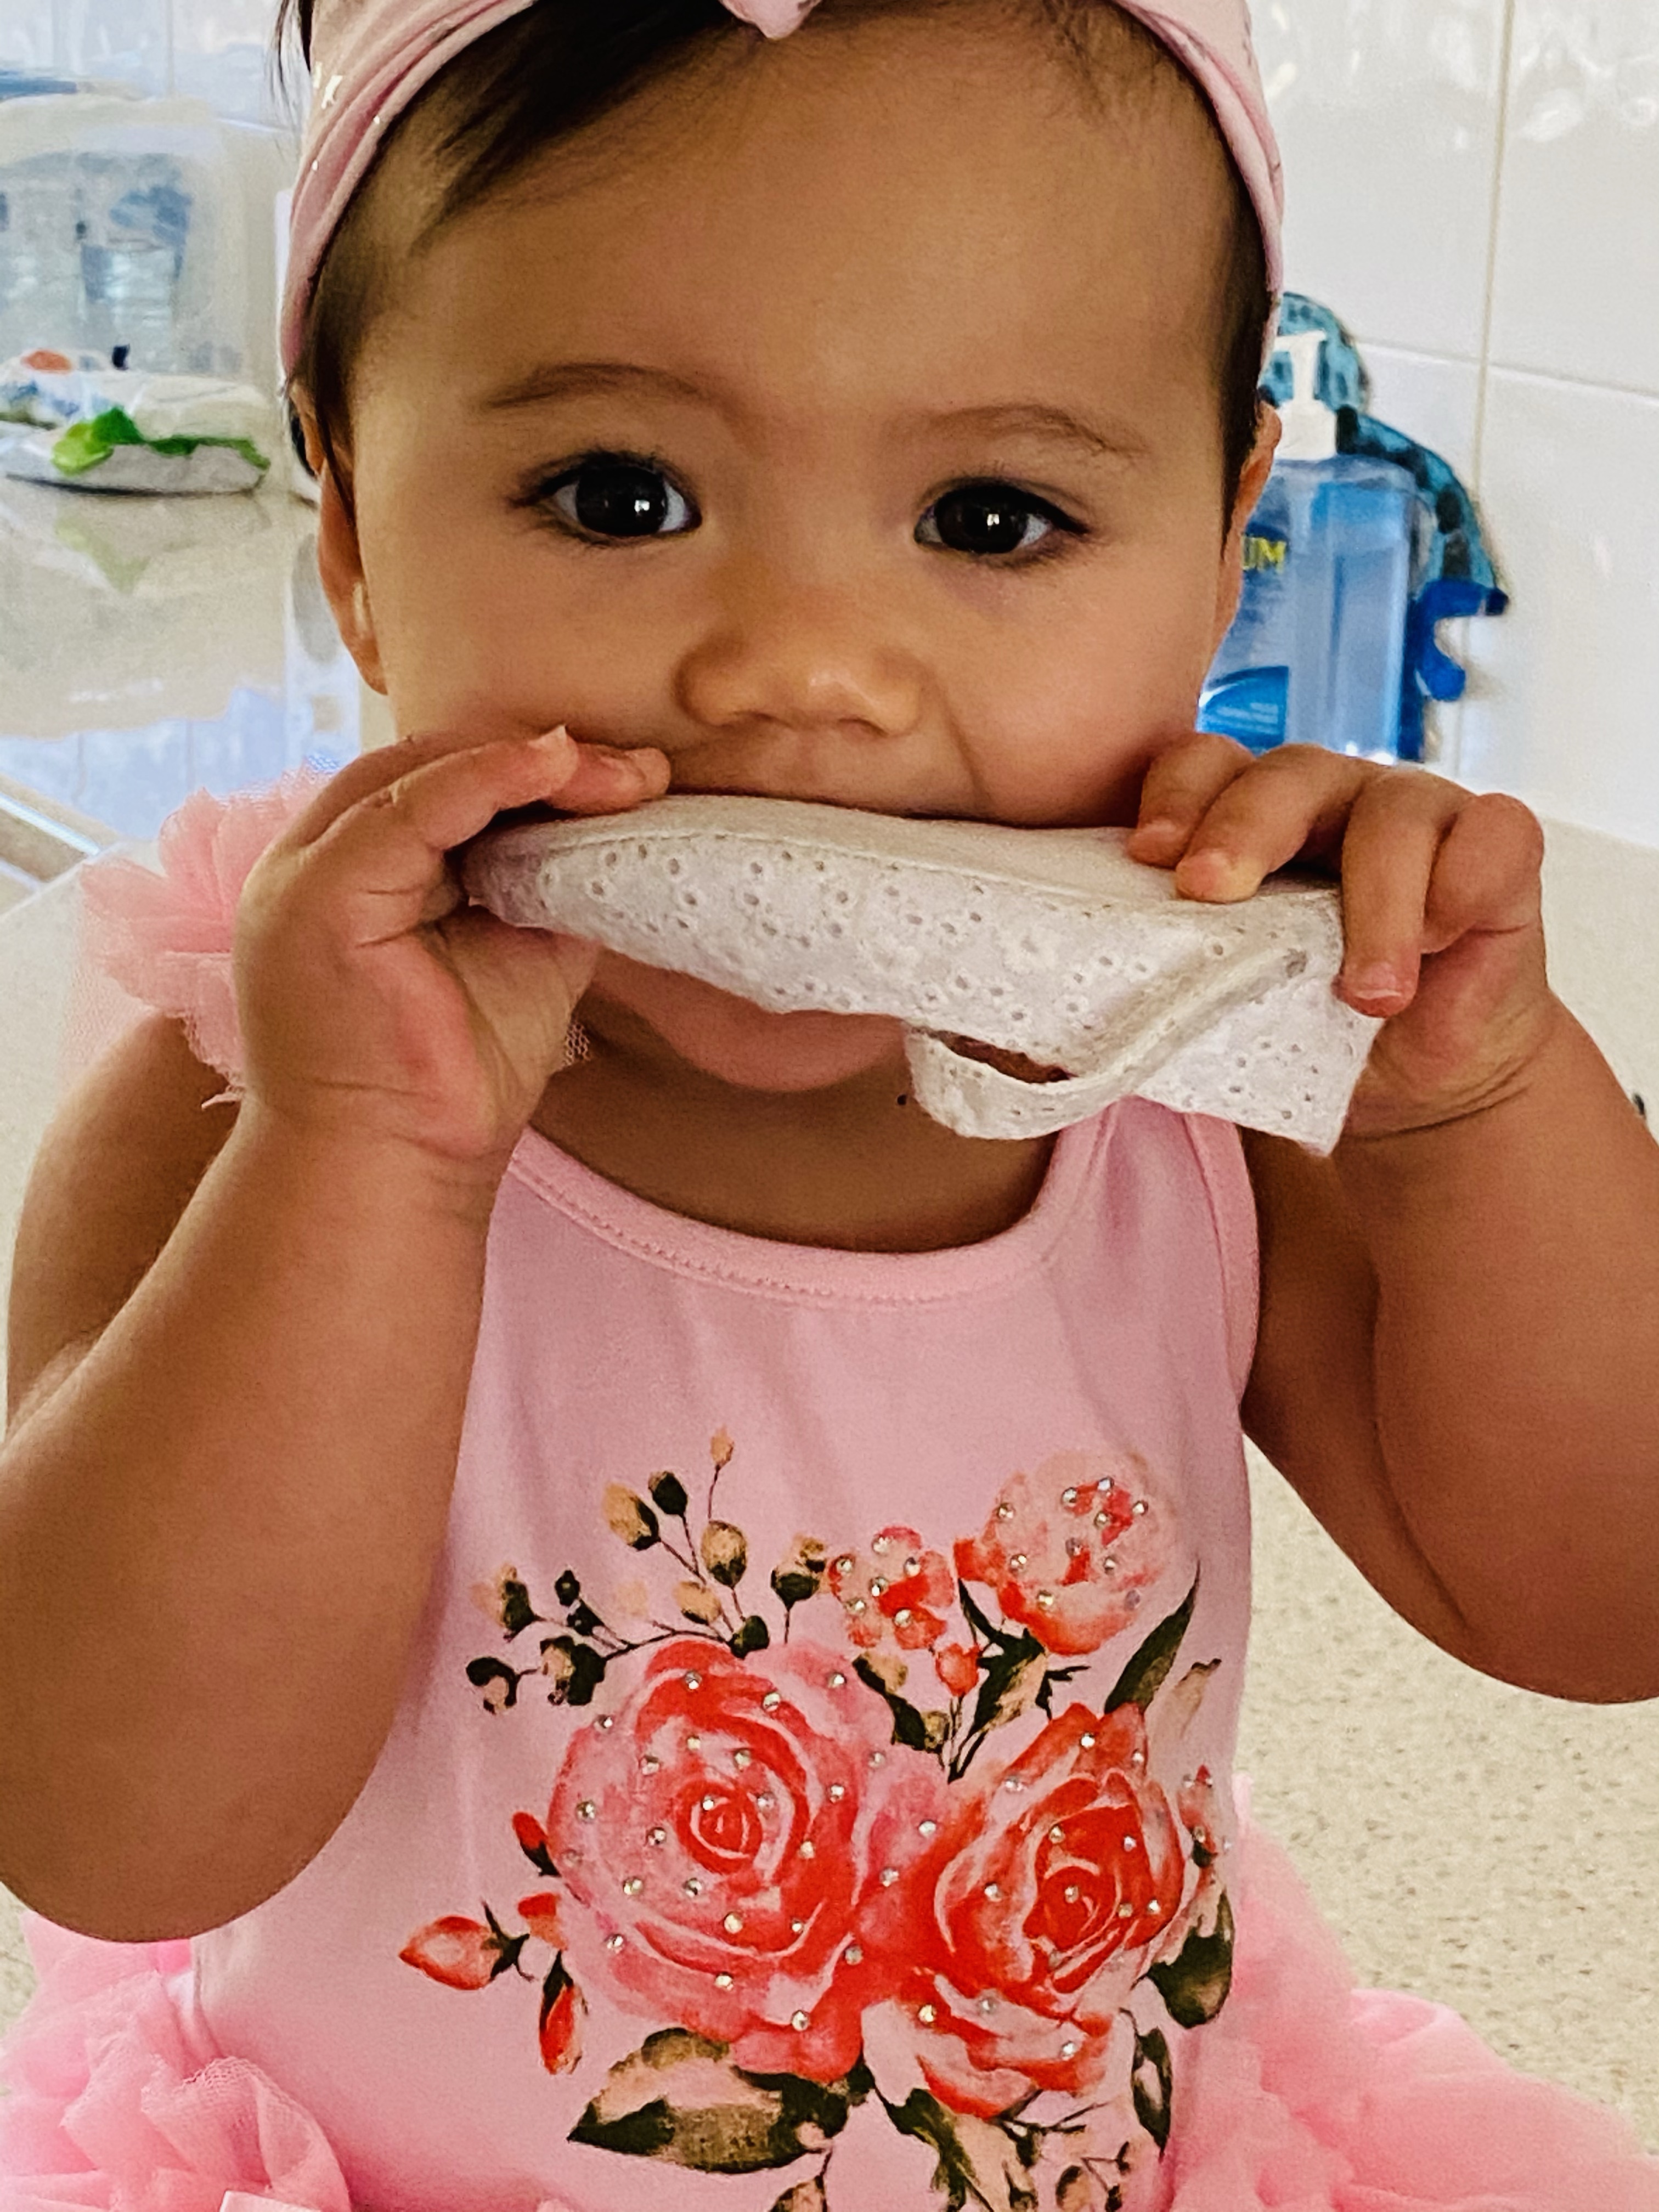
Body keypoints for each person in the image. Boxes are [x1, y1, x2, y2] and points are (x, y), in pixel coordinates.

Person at [1, 0, 1657, 2204]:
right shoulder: (247, 1104)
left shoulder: (1203, 1093)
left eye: (993, 515)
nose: (803, 671)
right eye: (619, 497)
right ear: (356, 530)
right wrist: (361, 1162)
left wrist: (1475, 1114)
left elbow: (1596, 1601)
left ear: (1227, 540)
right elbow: (111, 1834)